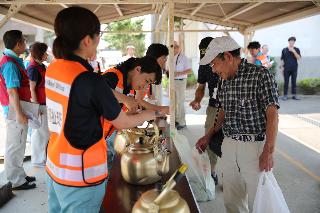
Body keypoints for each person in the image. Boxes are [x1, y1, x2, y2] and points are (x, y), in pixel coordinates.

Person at [45, 7, 159, 212]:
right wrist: (154, 113)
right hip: (81, 175)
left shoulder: (54, 68)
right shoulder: (89, 79)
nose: (98, 42)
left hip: (55, 166)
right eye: (98, 37)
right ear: (87, 40)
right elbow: (122, 122)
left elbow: (76, 111)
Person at [196, 36, 280, 212]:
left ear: (227, 56)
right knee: (232, 201)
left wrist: (268, 150)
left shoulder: (260, 75)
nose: (213, 69)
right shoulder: (223, 80)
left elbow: (272, 115)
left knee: (260, 201)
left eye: (213, 63)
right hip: (229, 145)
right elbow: (223, 111)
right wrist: (209, 134)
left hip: (254, 147)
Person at [102, 56, 169, 172]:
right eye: (147, 81)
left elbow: (118, 115)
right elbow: (99, 89)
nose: (145, 87)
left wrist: (134, 114)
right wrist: (125, 100)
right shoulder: (113, 75)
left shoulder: (128, 86)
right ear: (138, 69)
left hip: (104, 137)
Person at [0, 30, 36, 190]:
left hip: (18, 108)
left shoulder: (13, 60)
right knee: (15, 145)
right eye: (24, 41)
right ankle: (16, 180)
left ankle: (19, 174)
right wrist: (20, 114)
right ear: (18, 44)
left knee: (19, 144)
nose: (26, 45)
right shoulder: (9, 63)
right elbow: (12, 91)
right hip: (15, 110)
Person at [189, 37, 220, 185]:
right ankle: (212, 172)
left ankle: (234, 175)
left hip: (233, 107)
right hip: (214, 107)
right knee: (211, 140)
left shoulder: (230, 62)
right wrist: (197, 100)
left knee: (231, 141)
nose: (211, 65)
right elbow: (201, 87)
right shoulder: (203, 65)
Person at [26, 42, 50, 167]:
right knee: (40, 133)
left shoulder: (41, 66)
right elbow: (32, 88)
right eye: (45, 52)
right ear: (39, 54)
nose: (47, 54)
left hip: (44, 104)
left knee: (45, 133)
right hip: (39, 105)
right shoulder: (33, 68)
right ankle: (38, 160)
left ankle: (42, 158)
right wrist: (35, 107)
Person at [174, 41, 192, 130]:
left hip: (181, 81)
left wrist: (179, 73)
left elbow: (189, 70)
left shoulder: (183, 57)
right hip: (172, 82)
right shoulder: (170, 57)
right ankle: (175, 120)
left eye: (176, 46)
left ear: (178, 48)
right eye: (172, 46)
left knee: (180, 102)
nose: (174, 48)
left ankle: (182, 122)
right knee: (173, 102)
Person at [280, 36, 301, 100]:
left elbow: (299, 58)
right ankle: (285, 95)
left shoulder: (297, 49)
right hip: (286, 68)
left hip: (294, 68)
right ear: (288, 42)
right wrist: (281, 68)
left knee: (294, 82)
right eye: (291, 41)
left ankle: (294, 95)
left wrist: (294, 51)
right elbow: (282, 59)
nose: (292, 42)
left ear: (294, 42)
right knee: (286, 82)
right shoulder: (284, 49)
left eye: (293, 41)